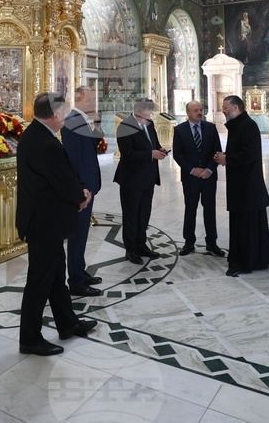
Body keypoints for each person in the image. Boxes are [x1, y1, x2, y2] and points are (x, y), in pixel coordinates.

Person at [15, 92, 97, 356]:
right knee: (40, 281)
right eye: (62, 114)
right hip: (44, 222)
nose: (64, 119)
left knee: (54, 277)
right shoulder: (45, 143)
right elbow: (61, 180)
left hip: (45, 220)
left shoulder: (35, 134)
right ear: (54, 115)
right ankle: (29, 338)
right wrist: (80, 197)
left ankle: (68, 323)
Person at [213, 95, 269, 277]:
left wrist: (227, 159)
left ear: (236, 108)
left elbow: (250, 154)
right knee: (244, 223)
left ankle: (242, 261)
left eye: (225, 107)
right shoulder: (239, 124)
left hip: (247, 186)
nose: (223, 111)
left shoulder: (247, 125)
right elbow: (241, 150)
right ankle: (251, 258)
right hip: (243, 183)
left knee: (244, 224)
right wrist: (225, 155)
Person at [61, 85, 105, 296]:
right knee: (77, 235)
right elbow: (73, 160)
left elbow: (91, 145)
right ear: (78, 99)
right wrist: (81, 191)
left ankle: (80, 270)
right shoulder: (71, 122)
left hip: (88, 185)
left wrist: (97, 125)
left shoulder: (80, 120)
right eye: (89, 99)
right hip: (83, 189)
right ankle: (76, 281)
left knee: (83, 232)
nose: (92, 103)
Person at [113, 98, 167, 264]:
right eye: (148, 112)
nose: (150, 114)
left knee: (144, 213)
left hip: (148, 177)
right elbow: (127, 154)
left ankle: (141, 244)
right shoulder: (125, 126)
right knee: (131, 215)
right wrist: (151, 154)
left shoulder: (149, 124)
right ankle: (131, 249)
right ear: (138, 111)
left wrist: (160, 150)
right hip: (131, 179)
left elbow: (154, 144)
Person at [172, 100, 224, 257]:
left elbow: (218, 151)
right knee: (190, 209)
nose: (199, 112)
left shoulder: (211, 128)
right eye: (195, 110)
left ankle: (211, 243)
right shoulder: (180, 130)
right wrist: (192, 170)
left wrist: (209, 169)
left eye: (201, 109)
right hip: (190, 178)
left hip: (209, 177)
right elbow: (177, 154)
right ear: (188, 112)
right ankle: (189, 242)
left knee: (210, 210)